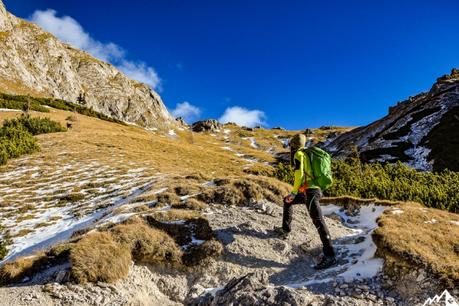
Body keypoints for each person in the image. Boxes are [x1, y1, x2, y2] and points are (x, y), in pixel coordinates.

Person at [275, 134, 336, 270]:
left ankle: (330, 256)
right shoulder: (308, 153)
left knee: (319, 221)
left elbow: (299, 175)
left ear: (293, 145)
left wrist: (294, 192)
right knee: (287, 201)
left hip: (310, 192)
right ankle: (285, 229)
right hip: (314, 190)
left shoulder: (299, 155)